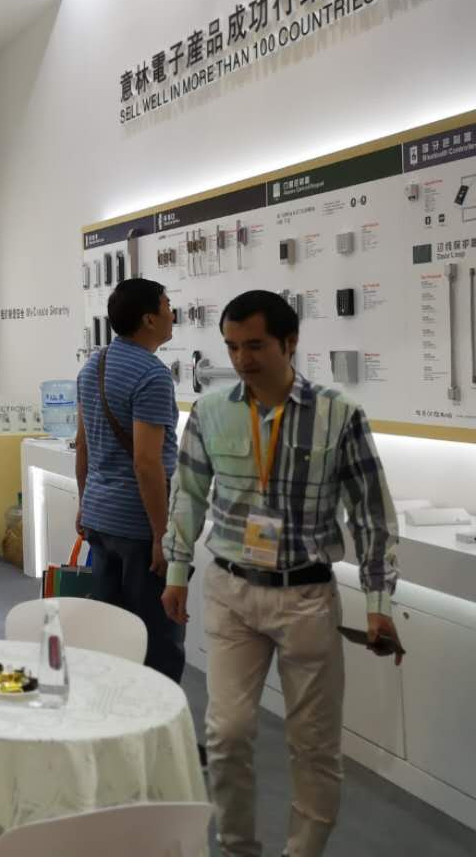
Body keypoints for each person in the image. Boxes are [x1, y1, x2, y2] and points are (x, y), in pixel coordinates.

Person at [161, 290, 401, 857]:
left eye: (255, 346)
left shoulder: (338, 415)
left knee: (314, 745)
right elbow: (188, 493)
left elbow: (372, 514)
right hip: (231, 591)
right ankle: (237, 847)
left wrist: (379, 604)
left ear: (290, 342)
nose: (241, 359)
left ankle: (303, 851)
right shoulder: (211, 411)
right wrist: (176, 569)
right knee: (226, 733)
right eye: (232, 346)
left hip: (307, 597)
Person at [73, 277, 183, 683]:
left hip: (100, 517)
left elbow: (82, 445)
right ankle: (155, 717)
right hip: (138, 525)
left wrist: (84, 503)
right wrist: (161, 534)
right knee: (155, 639)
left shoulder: (94, 366)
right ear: (149, 319)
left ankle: (110, 710)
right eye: (167, 305)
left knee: (110, 632)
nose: (173, 314)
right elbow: (147, 463)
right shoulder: (152, 375)